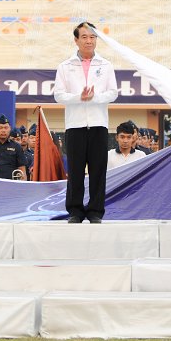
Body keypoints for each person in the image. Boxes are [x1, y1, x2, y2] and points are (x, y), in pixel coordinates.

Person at [54, 21, 118, 223]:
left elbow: (113, 93)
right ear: (76, 40)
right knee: (75, 170)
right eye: (84, 37)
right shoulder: (65, 66)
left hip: (99, 125)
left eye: (92, 37)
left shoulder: (106, 65)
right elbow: (58, 95)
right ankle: (75, 211)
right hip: (75, 125)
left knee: (98, 170)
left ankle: (95, 211)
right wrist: (78, 97)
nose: (89, 41)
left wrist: (95, 97)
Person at [0, 114, 27, 180]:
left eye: (6, 128)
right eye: (0, 128)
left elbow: (22, 170)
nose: (3, 130)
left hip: (12, 185)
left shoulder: (17, 147)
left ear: (10, 128)